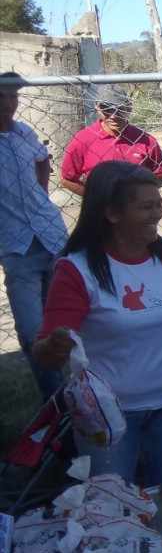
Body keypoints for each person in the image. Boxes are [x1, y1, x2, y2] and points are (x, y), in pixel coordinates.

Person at [32, 160, 162, 512]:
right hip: (106, 415)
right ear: (112, 213)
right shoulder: (78, 269)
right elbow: (45, 353)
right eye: (147, 207)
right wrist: (55, 346)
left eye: (159, 203)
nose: (159, 213)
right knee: (109, 506)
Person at [0, 71, 68, 401]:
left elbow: (43, 161)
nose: (9, 103)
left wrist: (40, 194)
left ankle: (85, 396)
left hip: (52, 236)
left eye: (13, 96)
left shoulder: (24, 133)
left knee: (66, 324)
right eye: (1, 96)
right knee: (31, 332)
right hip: (17, 247)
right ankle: (58, 405)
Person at [60, 85, 162, 196]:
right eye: (107, 109)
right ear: (97, 108)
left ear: (129, 108)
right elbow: (66, 178)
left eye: (119, 109)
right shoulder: (83, 139)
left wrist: (137, 197)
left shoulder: (146, 141)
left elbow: (159, 177)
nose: (113, 116)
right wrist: (95, 198)